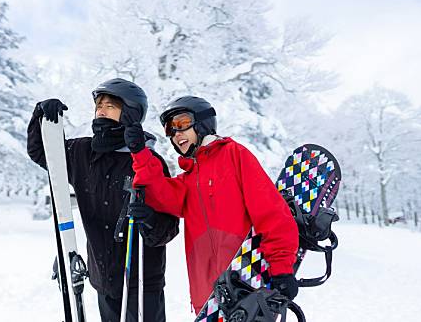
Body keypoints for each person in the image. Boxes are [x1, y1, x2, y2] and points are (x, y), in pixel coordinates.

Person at [122, 95, 299, 314]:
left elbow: (270, 211)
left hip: (247, 282)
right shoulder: (189, 178)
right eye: (171, 129)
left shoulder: (234, 155)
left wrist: (282, 267)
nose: (176, 134)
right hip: (207, 297)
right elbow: (159, 191)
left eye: (182, 124)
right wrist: (140, 152)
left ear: (203, 123)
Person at [27, 78, 179, 322]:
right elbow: (44, 153)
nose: (101, 110)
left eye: (111, 106)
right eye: (99, 105)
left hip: (140, 283)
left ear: (130, 113)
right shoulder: (82, 153)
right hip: (103, 278)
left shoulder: (149, 162)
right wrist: (42, 119)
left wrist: (150, 220)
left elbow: (168, 229)